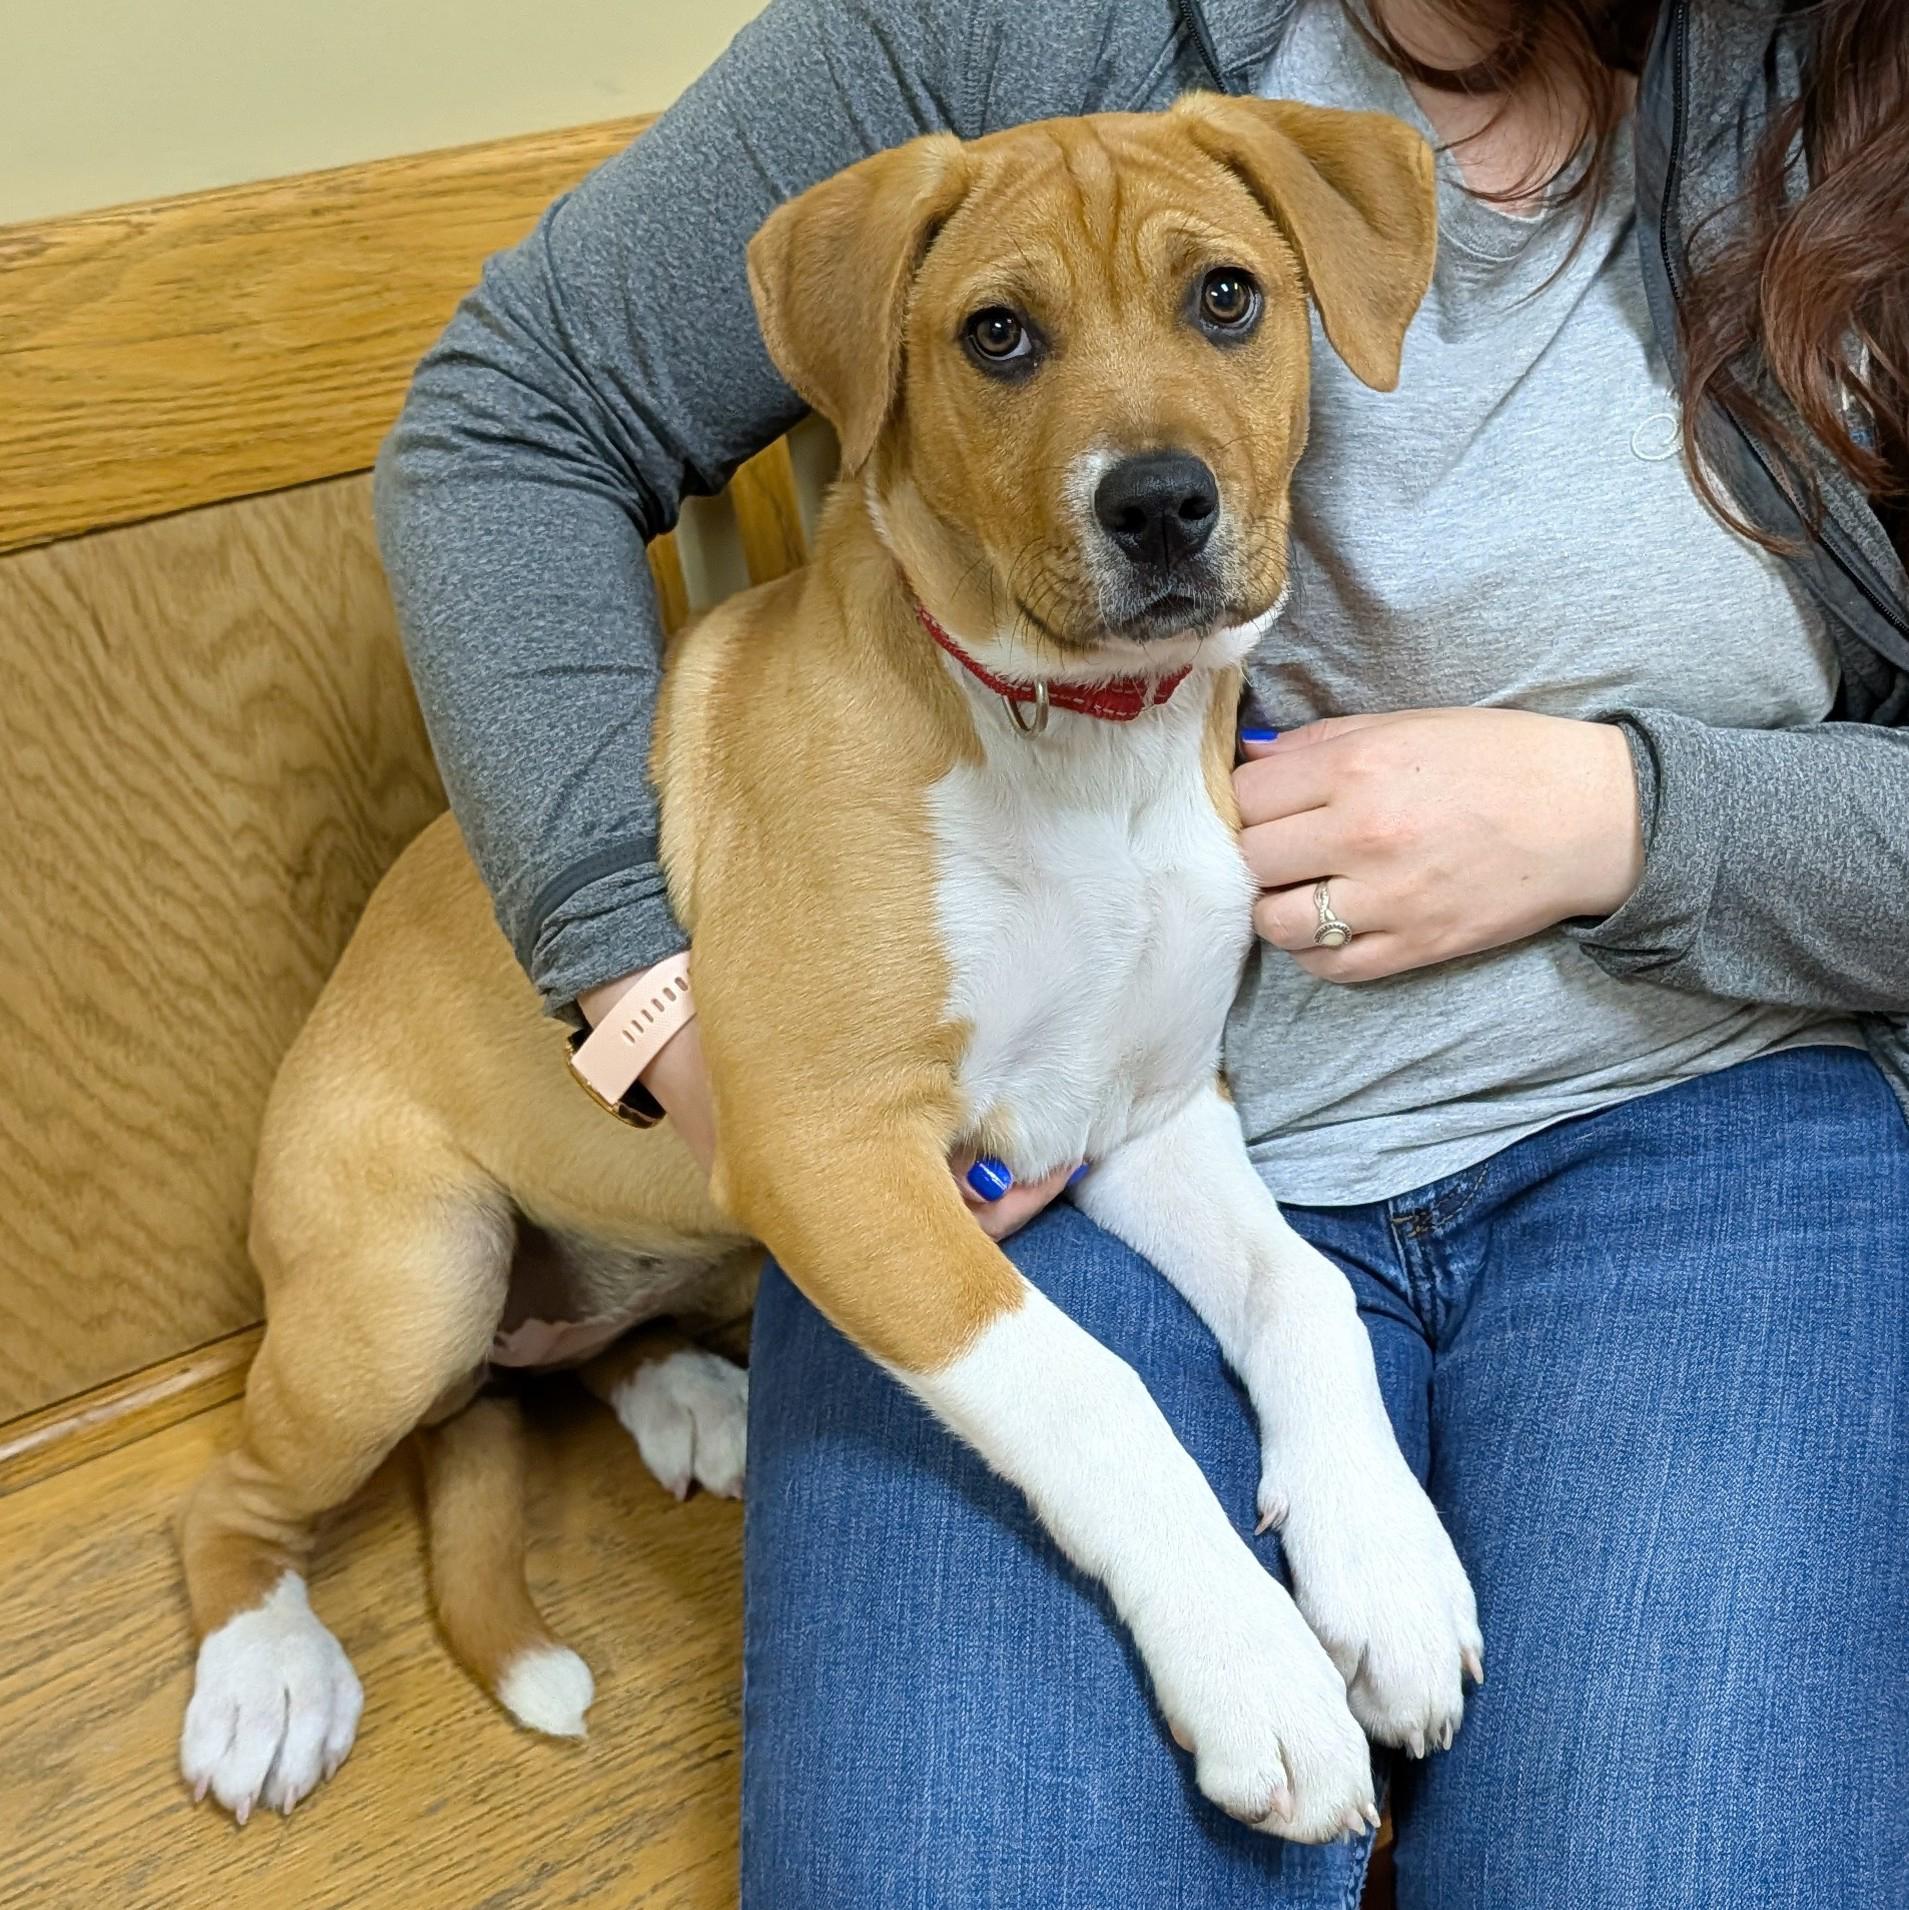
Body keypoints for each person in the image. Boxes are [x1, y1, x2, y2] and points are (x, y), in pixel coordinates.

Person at [374, 2, 1909, 1903]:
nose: (1151, 451)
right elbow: (509, 416)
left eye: (1222, 304)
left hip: (1709, 1104)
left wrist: (1634, 820)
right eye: (1004, 340)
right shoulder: (999, 39)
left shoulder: (1846, 81)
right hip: (1072, 1144)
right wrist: (648, 986)